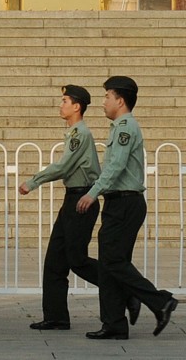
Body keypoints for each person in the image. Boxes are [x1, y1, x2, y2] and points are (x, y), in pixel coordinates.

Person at [76, 76, 178, 339]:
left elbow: (116, 165)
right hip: (119, 203)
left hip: (125, 202)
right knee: (112, 264)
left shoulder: (124, 128)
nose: (103, 102)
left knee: (113, 261)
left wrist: (92, 192)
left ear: (120, 100)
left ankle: (158, 301)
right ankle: (114, 323)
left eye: (107, 97)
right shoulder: (121, 127)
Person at [19, 84, 109, 331]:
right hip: (72, 199)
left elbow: (63, 167)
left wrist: (33, 181)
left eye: (65, 101)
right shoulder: (73, 133)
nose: (61, 105)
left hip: (82, 201)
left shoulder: (80, 134)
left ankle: (122, 288)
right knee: (54, 262)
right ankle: (56, 316)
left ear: (77, 106)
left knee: (77, 260)